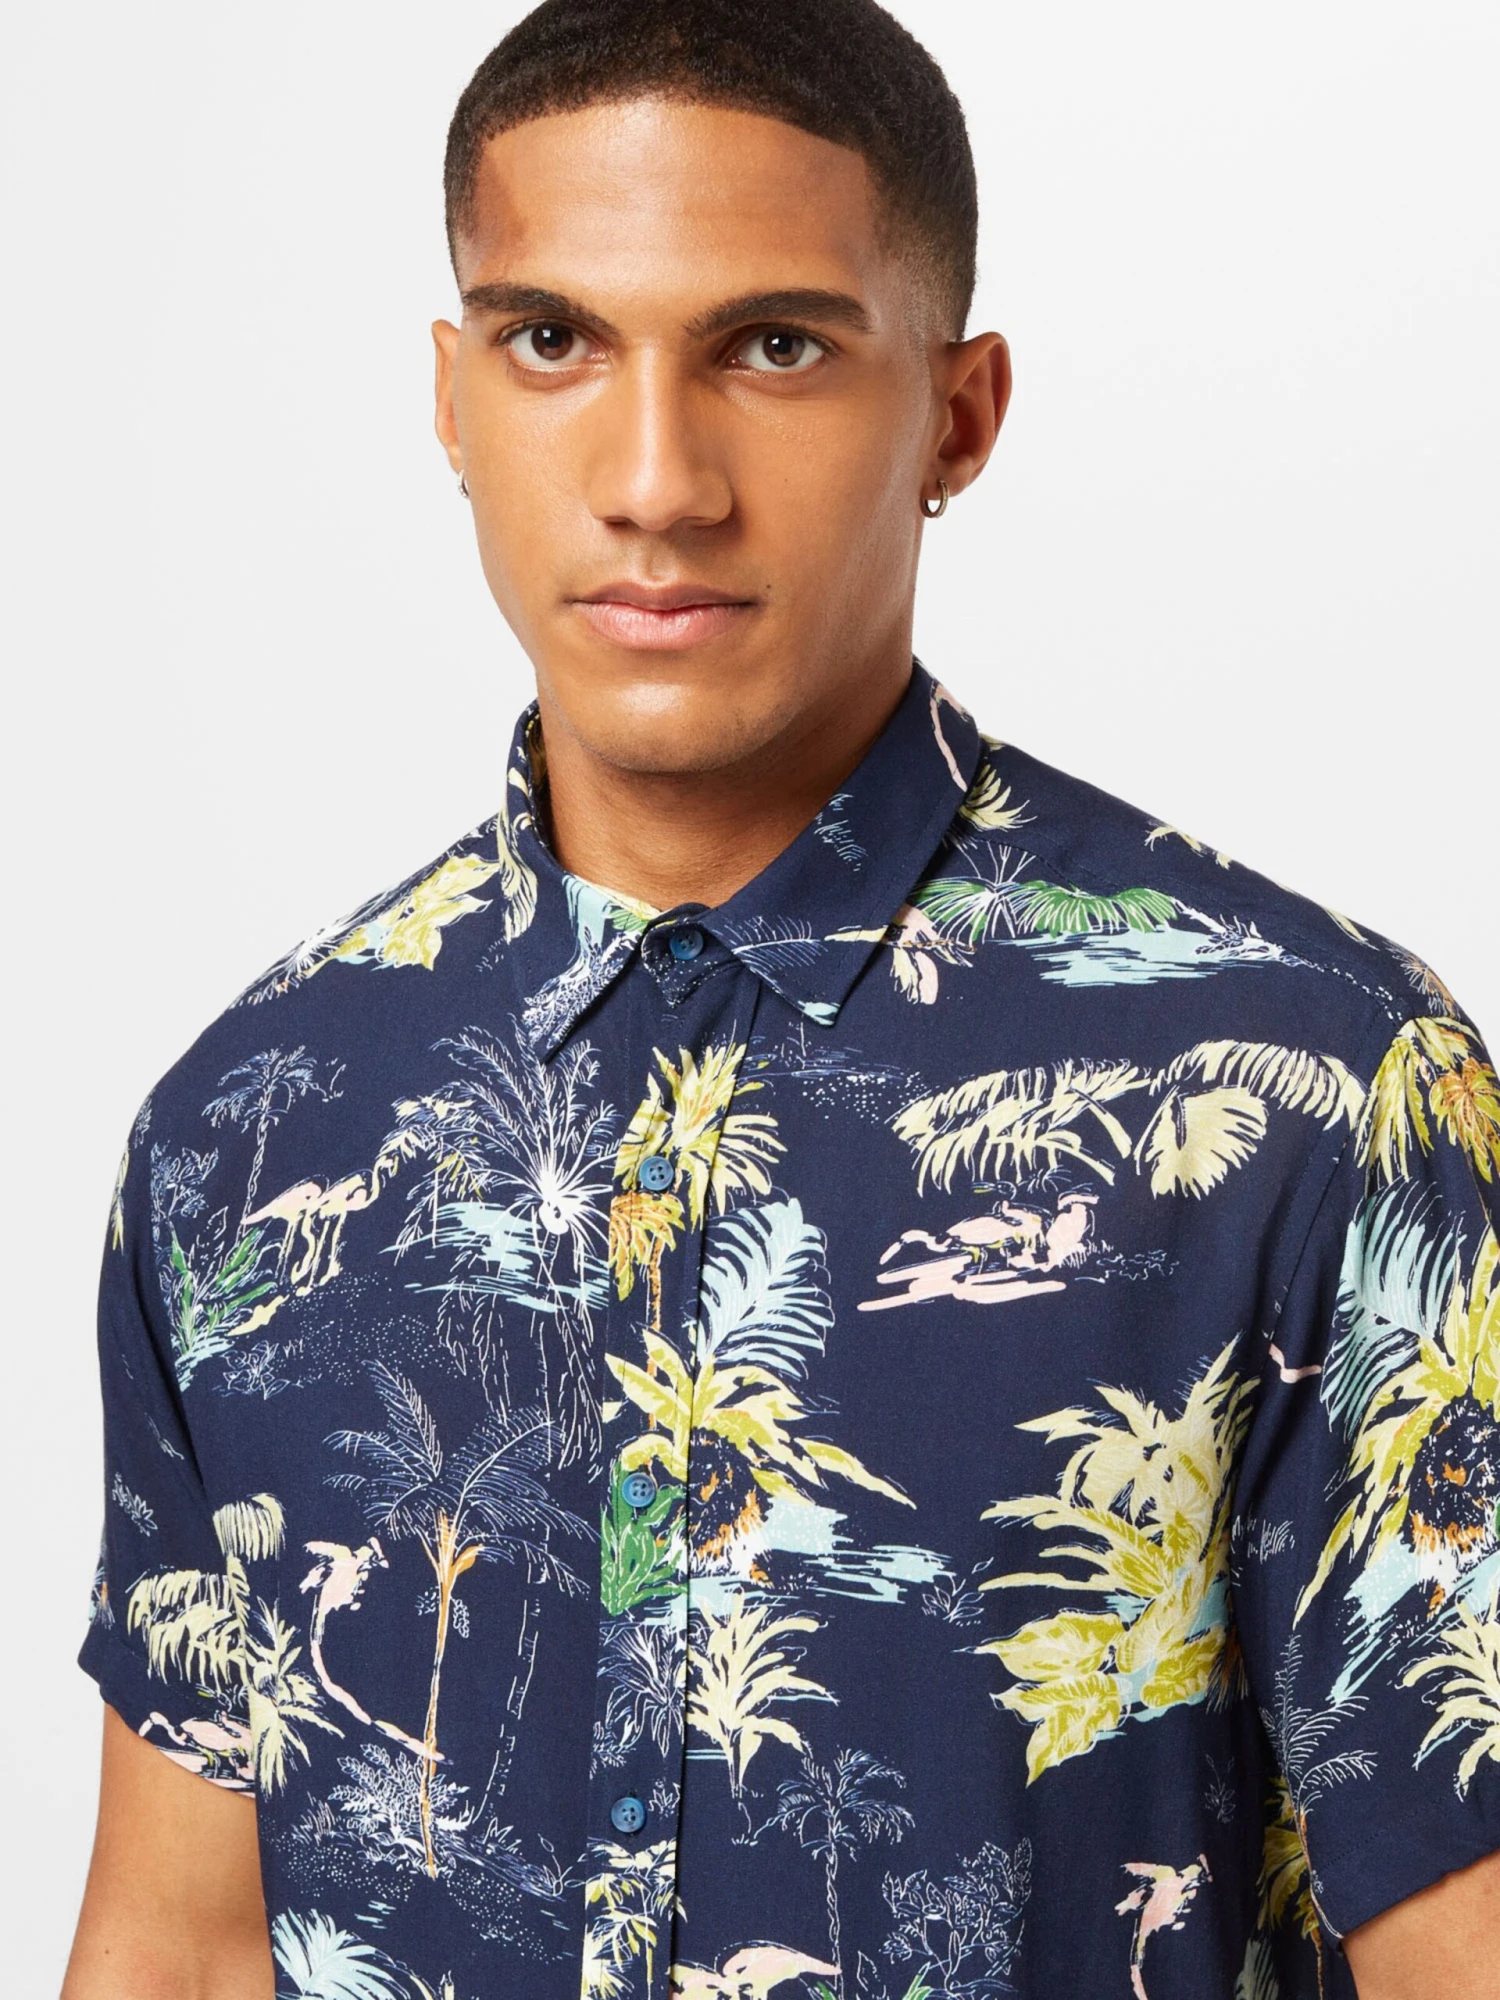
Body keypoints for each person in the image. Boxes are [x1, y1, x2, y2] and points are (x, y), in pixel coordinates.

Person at [61, 4, 1500, 1997]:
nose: (657, 481)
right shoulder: (248, 1127)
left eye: (775, 347)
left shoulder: (1320, 1087)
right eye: (553, 340)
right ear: (453, 398)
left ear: (959, 418)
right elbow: (185, 1947)